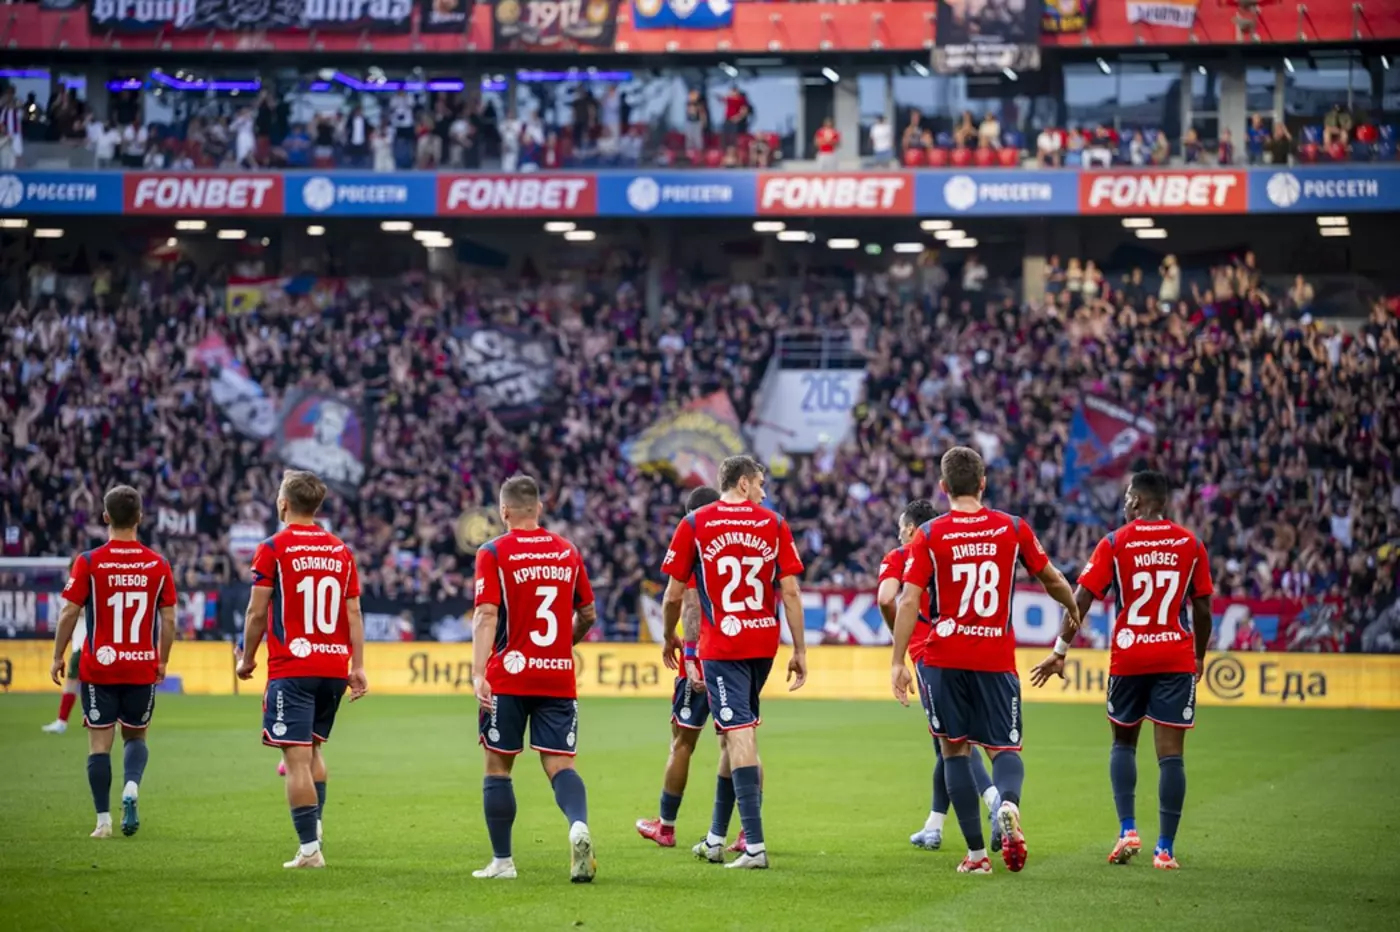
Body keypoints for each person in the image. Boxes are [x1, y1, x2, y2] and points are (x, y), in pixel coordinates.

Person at [891, 446, 1081, 875]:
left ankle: (977, 856)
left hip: (944, 658)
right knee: (1004, 748)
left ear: (943, 487)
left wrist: (898, 660)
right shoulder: (1012, 527)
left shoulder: (929, 534)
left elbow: (908, 600)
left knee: (954, 751)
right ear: (983, 483)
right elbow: (1051, 577)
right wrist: (1072, 607)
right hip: (995, 656)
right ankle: (1008, 804)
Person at [1031, 470, 1214, 871]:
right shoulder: (1191, 544)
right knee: (1171, 756)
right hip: (1175, 657)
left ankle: (1128, 829)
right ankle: (1165, 850)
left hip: (1130, 656)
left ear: (1136, 501)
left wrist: (1060, 650)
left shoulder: (1116, 542)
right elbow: (1202, 608)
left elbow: (1081, 598)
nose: (1125, 503)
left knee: (1123, 744)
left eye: (1128, 497)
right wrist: (1199, 655)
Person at [659, 455, 808, 869]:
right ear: (743, 483)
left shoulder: (694, 524)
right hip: (763, 643)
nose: (763, 491)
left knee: (738, 736)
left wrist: (669, 636)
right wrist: (799, 649)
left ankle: (755, 846)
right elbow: (790, 592)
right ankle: (715, 838)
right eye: (760, 483)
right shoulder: (774, 523)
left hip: (723, 646)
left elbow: (673, 595)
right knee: (734, 733)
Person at [236, 470, 369, 869]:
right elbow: (354, 612)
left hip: (293, 668)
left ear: (283, 504)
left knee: (295, 760)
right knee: (313, 750)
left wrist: (247, 657)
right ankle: (317, 827)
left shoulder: (273, 548)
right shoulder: (341, 550)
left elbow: (257, 611)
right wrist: (358, 666)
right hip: (333, 668)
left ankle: (310, 849)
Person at [470, 475, 599, 883]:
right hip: (557, 675)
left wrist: (478, 672)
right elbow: (588, 614)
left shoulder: (493, 552)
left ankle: (503, 862)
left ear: (504, 511)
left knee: (498, 767)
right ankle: (578, 825)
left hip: (509, 676)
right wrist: (563, 644)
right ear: (539, 508)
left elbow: (486, 614)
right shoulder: (567, 551)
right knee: (560, 764)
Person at [48, 486, 177, 838]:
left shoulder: (89, 561)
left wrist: (58, 655)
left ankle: (103, 821)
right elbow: (168, 620)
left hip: (99, 667)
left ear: (105, 517)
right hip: (140, 666)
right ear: (140, 518)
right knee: (135, 736)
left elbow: (69, 611)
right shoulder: (158, 564)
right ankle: (131, 787)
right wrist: (162, 660)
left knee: (99, 746)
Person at [877, 499, 1000, 852]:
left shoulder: (901, 556)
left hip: (929, 655)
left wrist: (898, 638)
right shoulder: (951, 550)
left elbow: (886, 598)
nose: (898, 535)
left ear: (911, 529)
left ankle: (994, 802)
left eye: (900, 529)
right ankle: (933, 825)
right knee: (944, 743)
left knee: (953, 741)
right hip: (966, 647)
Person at [638, 485, 755, 850]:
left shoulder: (698, 538)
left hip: (705, 654)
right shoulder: (738, 542)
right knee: (741, 740)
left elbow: (687, 602)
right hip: (739, 652)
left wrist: (687, 652)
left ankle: (666, 827)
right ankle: (748, 831)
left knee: (682, 743)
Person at [41, 614, 85, 734]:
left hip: (83, 646)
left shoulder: (82, 604)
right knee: (79, 684)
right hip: (83, 646)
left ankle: (62, 721)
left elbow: (77, 611)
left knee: (73, 684)